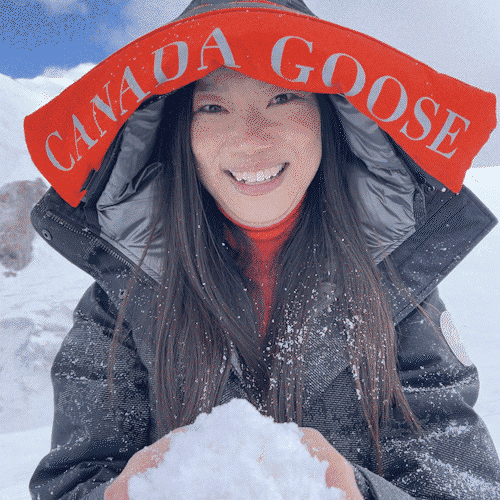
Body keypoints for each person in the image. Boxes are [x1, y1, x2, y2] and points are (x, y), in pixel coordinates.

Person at [26, 0, 500, 498]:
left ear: (330, 115)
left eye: (283, 97)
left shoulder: (399, 290)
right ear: (179, 133)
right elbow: (70, 483)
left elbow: (466, 486)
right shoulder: (120, 300)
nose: (250, 139)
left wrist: (361, 493)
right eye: (213, 107)